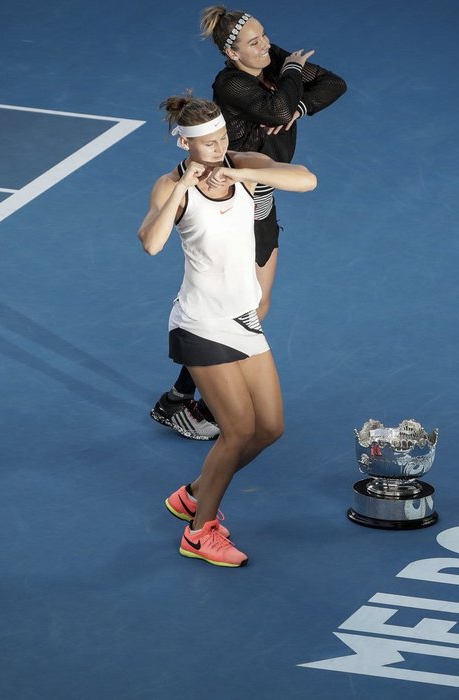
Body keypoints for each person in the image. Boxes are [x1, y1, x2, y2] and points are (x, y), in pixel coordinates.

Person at [149, 6, 346, 441]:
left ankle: (181, 397)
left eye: (265, 38)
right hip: (229, 199)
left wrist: (298, 107)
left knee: (258, 307)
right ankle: (189, 402)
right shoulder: (232, 82)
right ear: (231, 52)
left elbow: (333, 84)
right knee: (238, 310)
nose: (267, 47)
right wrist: (291, 72)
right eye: (255, 42)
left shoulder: (267, 63)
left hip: (261, 196)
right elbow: (276, 110)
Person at [138, 92, 317, 567]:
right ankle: (200, 532)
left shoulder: (242, 161)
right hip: (200, 322)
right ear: (186, 144)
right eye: (210, 143)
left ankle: (194, 494)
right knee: (237, 431)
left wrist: (242, 173)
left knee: (270, 428)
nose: (220, 147)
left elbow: (307, 180)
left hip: (242, 319)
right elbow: (151, 244)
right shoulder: (170, 185)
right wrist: (181, 187)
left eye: (222, 138)